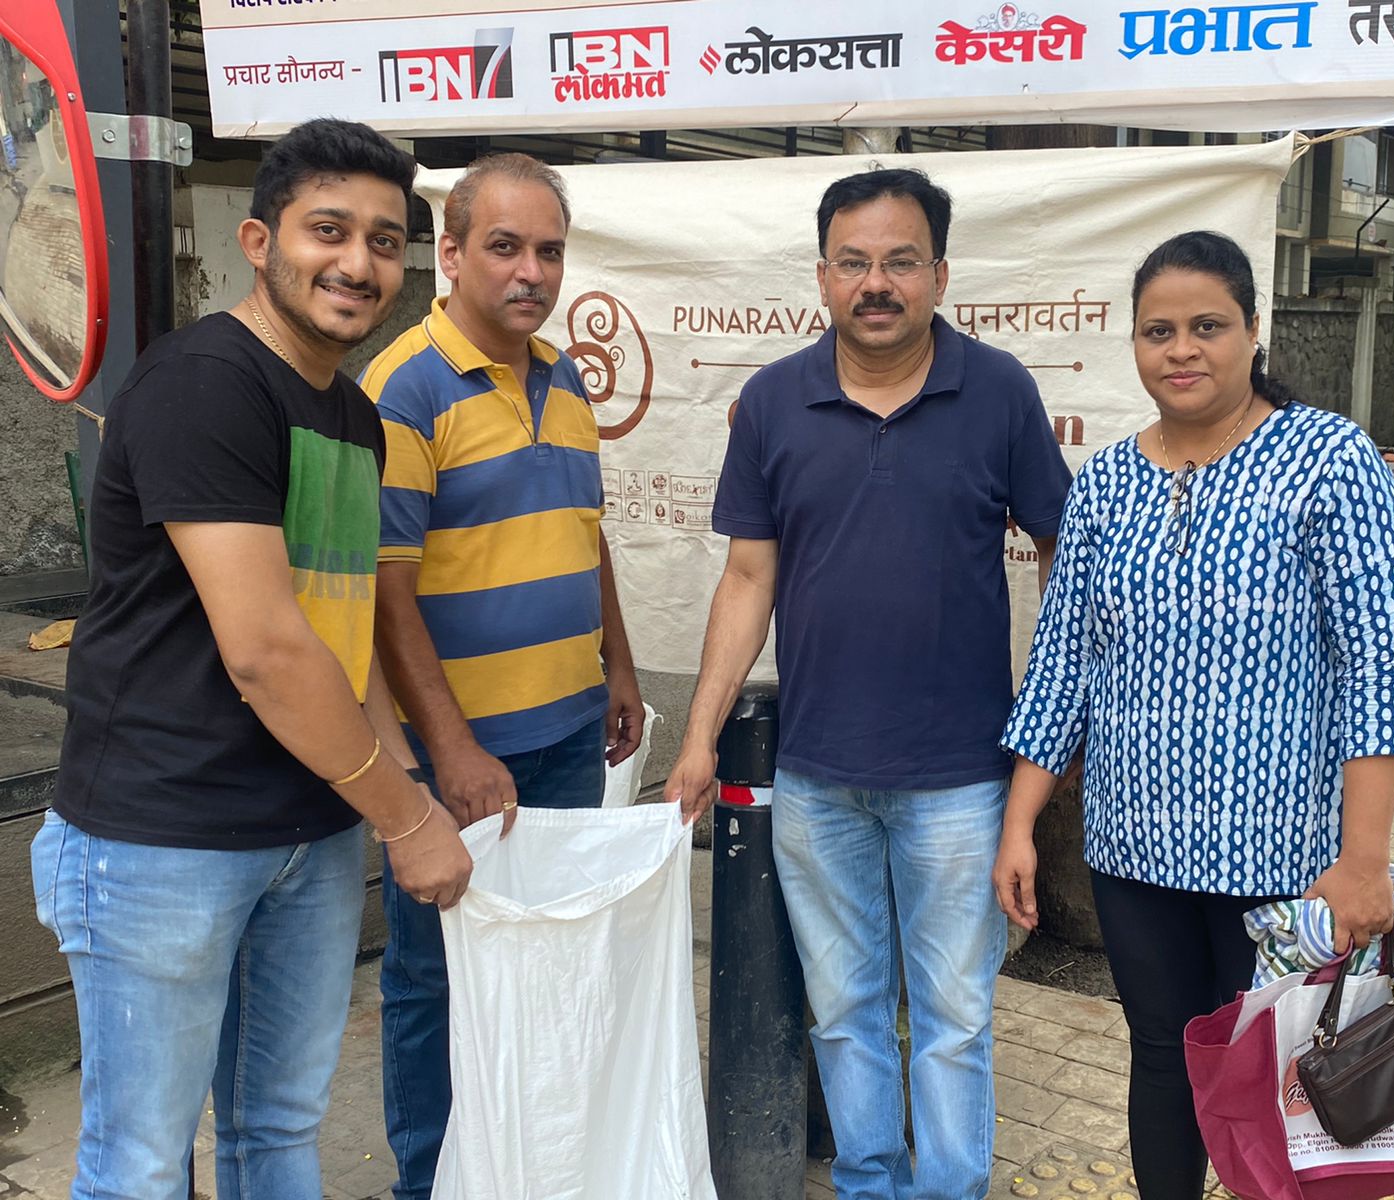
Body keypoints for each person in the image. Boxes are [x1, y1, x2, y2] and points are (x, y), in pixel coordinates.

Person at [30, 118, 473, 1200]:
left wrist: (401, 786)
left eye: (384, 241)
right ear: (261, 242)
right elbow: (269, 652)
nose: (358, 263)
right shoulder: (204, 385)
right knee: (139, 1165)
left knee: (277, 1132)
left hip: (308, 833)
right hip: (160, 839)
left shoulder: (354, 419)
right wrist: (406, 822)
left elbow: (342, 631)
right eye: (330, 230)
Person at [664, 167, 1071, 1200]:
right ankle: (869, 1183)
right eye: (853, 262)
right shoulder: (772, 402)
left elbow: (1060, 556)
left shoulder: (1000, 392)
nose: (875, 283)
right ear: (821, 276)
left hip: (961, 781)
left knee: (954, 1019)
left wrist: (1052, 720)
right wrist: (699, 736)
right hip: (817, 778)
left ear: (940, 274)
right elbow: (747, 579)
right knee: (844, 1013)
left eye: (899, 262)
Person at [993, 230, 1394, 1200]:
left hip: (1281, 862)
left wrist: (1364, 861)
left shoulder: (1327, 461)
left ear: (1253, 330)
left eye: (1207, 326)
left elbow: (1380, 666)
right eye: (1159, 331)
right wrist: (1019, 823)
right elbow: (1063, 665)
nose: (1181, 349)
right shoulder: (1106, 484)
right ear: (1134, 344)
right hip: (1131, 852)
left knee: (1280, 1078)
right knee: (1162, 1056)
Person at [362, 151, 644, 1200]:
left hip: (569, 732)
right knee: (435, 978)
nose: (532, 272)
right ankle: (428, 1180)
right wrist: (451, 749)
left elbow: (584, 532)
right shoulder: (403, 388)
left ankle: (528, 1167)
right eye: (505, 247)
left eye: (550, 251)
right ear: (450, 255)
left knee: (547, 963)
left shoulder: (564, 377)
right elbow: (386, 593)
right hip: (463, 758)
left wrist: (618, 664)